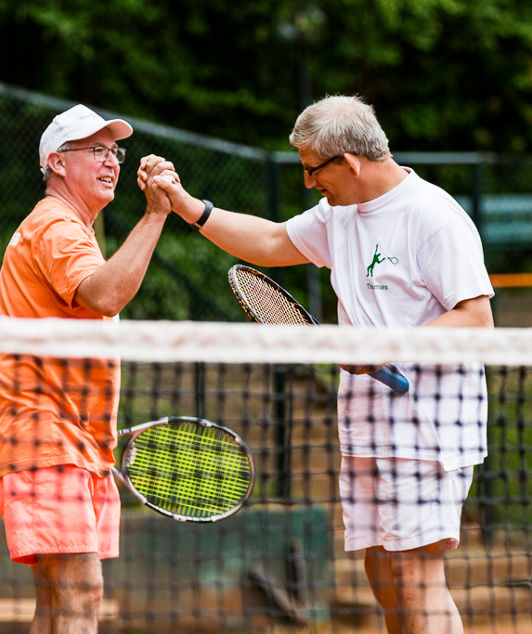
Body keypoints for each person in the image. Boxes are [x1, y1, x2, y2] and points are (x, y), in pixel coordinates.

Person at [139, 94, 494, 634]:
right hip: (367, 426)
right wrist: (188, 205)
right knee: (383, 572)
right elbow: (270, 239)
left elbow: (476, 321)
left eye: (311, 169)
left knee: (415, 575)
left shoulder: (434, 217)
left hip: (430, 428)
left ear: (349, 162)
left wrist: (385, 348)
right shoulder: (340, 214)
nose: (307, 182)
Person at [0, 104, 171, 633]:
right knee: (81, 594)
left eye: (115, 152)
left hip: (74, 444)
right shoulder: (55, 225)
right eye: (96, 151)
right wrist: (156, 213)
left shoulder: (75, 231)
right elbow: (108, 292)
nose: (111, 162)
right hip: (43, 440)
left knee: (59, 600)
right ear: (57, 163)